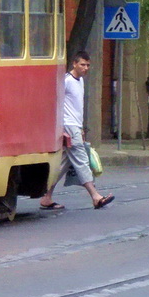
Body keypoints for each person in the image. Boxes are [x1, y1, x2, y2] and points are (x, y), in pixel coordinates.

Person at [38, 50, 115, 211]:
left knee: (63, 164)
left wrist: (80, 128)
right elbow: (54, 103)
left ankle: (46, 197)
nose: (85, 68)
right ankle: (95, 196)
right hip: (67, 126)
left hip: (74, 127)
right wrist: (61, 129)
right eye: (82, 64)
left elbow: (76, 108)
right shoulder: (66, 80)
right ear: (74, 64)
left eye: (88, 65)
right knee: (81, 160)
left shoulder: (80, 81)